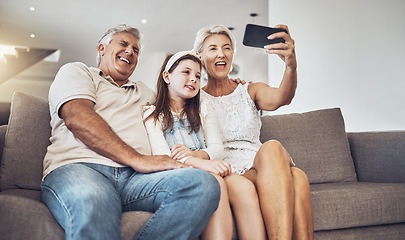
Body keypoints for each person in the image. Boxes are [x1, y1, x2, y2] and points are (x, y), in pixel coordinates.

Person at [40, 24, 221, 240]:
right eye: (124, 44)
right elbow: (76, 117)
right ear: (102, 49)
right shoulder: (77, 72)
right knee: (93, 199)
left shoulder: (145, 93)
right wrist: (137, 159)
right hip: (81, 168)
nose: (130, 52)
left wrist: (223, 85)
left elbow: (177, 98)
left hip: (135, 180)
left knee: (202, 184)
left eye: (136, 50)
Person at [193, 24, 314, 240]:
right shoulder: (194, 99)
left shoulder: (249, 90)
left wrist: (290, 66)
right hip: (228, 169)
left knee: (287, 164)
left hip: (263, 165)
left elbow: (282, 98)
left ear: (232, 54)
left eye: (227, 48)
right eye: (213, 49)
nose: (221, 53)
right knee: (297, 176)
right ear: (200, 57)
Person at [143, 50, 266, 239]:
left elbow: (218, 149)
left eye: (198, 76)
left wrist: (201, 157)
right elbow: (164, 157)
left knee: (244, 187)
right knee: (215, 182)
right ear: (167, 76)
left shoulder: (203, 109)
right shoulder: (152, 115)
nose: (193, 79)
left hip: (209, 166)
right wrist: (200, 163)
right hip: (179, 173)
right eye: (186, 72)